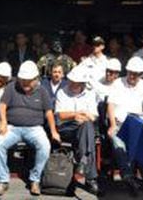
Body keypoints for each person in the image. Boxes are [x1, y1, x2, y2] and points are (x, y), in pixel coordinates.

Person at [0, 61, 61, 197]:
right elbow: (2, 105)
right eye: (23, 81)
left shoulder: (42, 91)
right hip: (13, 127)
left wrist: (54, 131)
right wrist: (4, 122)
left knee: (45, 145)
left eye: (29, 81)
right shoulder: (12, 87)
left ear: (36, 79)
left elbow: (48, 112)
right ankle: (2, 180)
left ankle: (35, 179)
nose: (25, 84)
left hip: (35, 128)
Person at [106, 56, 143, 196]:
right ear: (127, 71)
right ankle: (129, 178)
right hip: (120, 123)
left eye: (136, 73)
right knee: (118, 145)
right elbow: (111, 105)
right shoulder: (117, 83)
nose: (132, 75)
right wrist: (112, 125)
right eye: (130, 72)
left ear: (141, 74)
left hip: (137, 124)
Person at [55, 65, 100, 195]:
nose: (73, 84)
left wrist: (85, 116)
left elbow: (94, 115)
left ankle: (83, 161)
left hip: (84, 126)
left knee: (86, 127)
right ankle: (91, 177)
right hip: (66, 127)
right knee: (88, 134)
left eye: (76, 82)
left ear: (82, 83)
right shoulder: (62, 92)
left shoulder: (90, 94)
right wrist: (76, 114)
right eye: (72, 81)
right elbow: (60, 115)